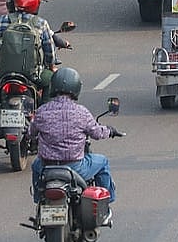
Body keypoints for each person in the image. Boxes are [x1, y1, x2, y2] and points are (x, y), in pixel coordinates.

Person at [29, 67, 118, 203]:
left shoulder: (42, 111)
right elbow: (97, 133)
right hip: (76, 168)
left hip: (46, 168)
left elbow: (31, 133)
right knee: (103, 161)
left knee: (35, 164)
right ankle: (106, 202)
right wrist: (110, 130)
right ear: (76, 87)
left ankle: (38, 198)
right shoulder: (81, 112)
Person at [0, 0, 56, 131]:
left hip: (4, 74)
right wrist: (52, 67)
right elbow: (49, 51)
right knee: (50, 82)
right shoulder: (41, 23)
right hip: (33, 74)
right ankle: (43, 118)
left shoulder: (2, 20)